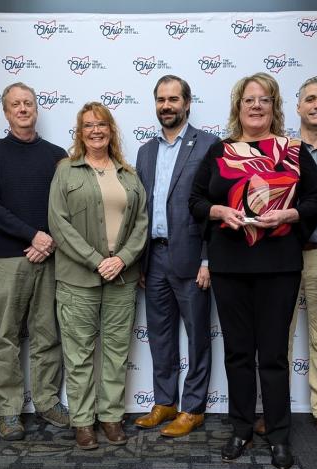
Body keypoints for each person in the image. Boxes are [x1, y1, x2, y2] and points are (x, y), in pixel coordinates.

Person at [189, 73, 317, 469]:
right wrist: (218, 211)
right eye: (248, 99)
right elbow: (196, 200)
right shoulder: (219, 150)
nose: (255, 105)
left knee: (273, 356)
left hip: (280, 265)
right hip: (230, 264)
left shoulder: (295, 151)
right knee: (237, 353)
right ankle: (241, 428)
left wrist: (292, 213)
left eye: (264, 99)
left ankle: (279, 435)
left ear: (274, 107)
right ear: (238, 106)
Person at [256, 76, 317, 446]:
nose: (316, 105)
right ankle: (274, 409)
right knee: (275, 335)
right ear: (297, 106)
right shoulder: (278, 150)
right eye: (309, 98)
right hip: (278, 254)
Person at [48, 102, 148, 450]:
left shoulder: (128, 174)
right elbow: (59, 225)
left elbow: (141, 224)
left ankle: (111, 417)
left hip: (122, 277)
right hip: (78, 278)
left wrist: (121, 259)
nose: (95, 130)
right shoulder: (66, 170)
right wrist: (96, 260)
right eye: (88, 125)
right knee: (78, 354)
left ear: (111, 130)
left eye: (102, 124)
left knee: (117, 352)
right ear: (80, 131)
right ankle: (83, 422)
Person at [0, 82, 69, 441]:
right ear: (5, 111)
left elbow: (66, 207)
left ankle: (47, 402)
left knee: (48, 334)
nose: (23, 108)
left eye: (28, 103)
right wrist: (33, 236)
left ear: (36, 108)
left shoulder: (56, 154)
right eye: (15, 104)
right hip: (7, 260)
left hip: (49, 257)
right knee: (6, 338)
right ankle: (10, 412)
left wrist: (47, 239)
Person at [134, 75, 219, 437]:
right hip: (154, 258)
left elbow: (216, 206)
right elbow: (140, 210)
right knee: (160, 335)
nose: (166, 106)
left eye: (173, 99)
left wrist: (207, 259)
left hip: (191, 258)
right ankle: (165, 401)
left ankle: (194, 407)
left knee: (198, 335)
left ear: (187, 103)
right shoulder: (146, 151)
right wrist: (139, 260)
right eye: (160, 99)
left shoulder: (209, 146)